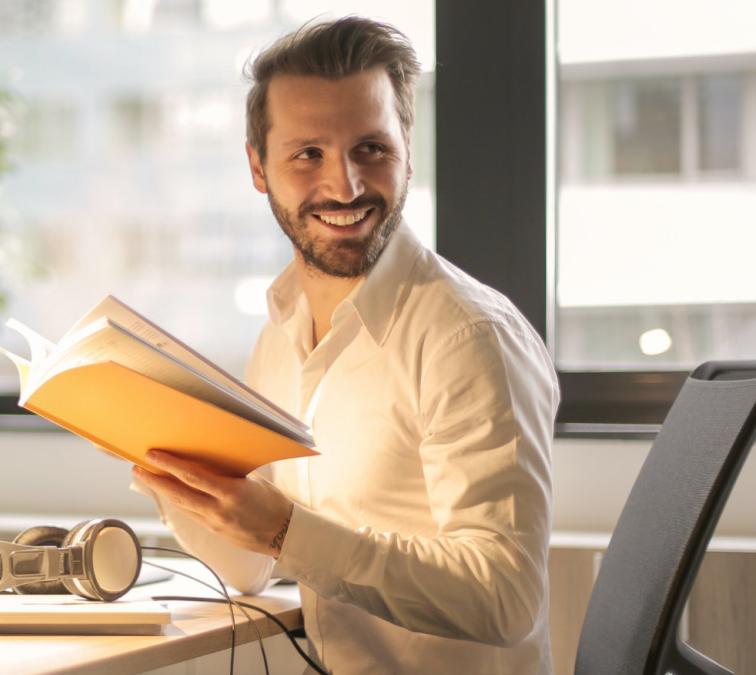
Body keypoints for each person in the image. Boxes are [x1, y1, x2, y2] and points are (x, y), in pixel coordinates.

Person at [131, 16, 559, 675]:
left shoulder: (469, 336)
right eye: (308, 154)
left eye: (371, 149)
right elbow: (247, 569)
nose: (346, 186)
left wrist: (286, 531)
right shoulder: (280, 331)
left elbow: (505, 597)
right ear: (258, 167)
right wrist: (174, 475)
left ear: (407, 151)